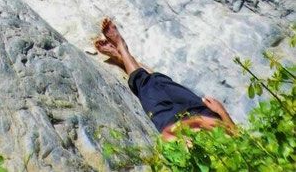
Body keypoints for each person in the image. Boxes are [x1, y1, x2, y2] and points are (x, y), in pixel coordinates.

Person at [95, 17, 237, 141]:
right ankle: (123, 58)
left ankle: (121, 48)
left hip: (172, 124)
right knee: (162, 81)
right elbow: (240, 139)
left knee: (144, 84)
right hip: (203, 113)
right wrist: (222, 112)